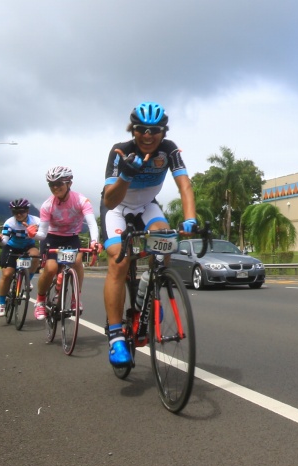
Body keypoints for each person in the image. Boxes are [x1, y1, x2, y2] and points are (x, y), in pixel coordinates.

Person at [101, 102, 197, 367]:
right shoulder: (121, 151)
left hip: (146, 206)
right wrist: (125, 176)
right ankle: (115, 336)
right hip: (118, 208)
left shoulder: (169, 150)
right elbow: (109, 201)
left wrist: (190, 218)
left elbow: (185, 185)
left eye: (154, 130)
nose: (147, 135)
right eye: (141, 129)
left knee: (165, 241)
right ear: (133, 130)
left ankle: (148, 284)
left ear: (163, 132)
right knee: (119, 261)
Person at [30, 166, 101, 321]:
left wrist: (95, 242)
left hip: (71, 237)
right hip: (52, 237)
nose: (55, 188)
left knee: (76, 262)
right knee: (51, 268)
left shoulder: (82, 201)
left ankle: (76, 299)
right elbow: (42, 234)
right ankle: (40, 301)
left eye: (59, 183)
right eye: (51, 185)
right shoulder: (47, 205)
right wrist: (33, 234)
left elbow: (92, 223)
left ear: (69, 183)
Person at [0, 198, 41, 317]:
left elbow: (43, 235)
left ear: (27, 211)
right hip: (11, 247)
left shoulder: (36, 221)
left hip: (28, 246)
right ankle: (1, 304)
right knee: (7, 275)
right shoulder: (9, 223)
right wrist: (0, 240)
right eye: (15, 212)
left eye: (21, 211)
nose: (18, 214)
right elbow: (4, 241)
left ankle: (28, 280)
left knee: (36, 254)